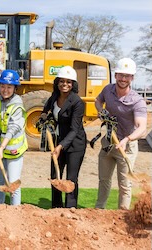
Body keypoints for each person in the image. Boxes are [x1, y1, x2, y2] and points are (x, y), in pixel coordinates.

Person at [95, 58, 147, 210]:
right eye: (121, 75)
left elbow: (141, 127)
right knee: (103, 180)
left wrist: (127, 139)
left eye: (127, 76)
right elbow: (97, 101)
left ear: (132, 78)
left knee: (125, 184)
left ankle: (122, 216)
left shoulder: (137, 101)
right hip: (108, 143)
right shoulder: (108, 90)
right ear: (115, 75)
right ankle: (99, 211)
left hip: (127, 146)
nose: (123, 79)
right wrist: (102, 112)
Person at [40, 66, 87, 208]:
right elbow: (45, 110)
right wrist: (43, 118)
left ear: (73, 84)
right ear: (57, 82)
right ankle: (56, 208)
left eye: (68, 82)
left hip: (75, 144)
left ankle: (70, 209)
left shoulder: (77, 102)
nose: (64, 84)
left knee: (70, 179)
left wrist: (60, 146)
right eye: (62, 81)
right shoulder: (54, 96)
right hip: (58, 141)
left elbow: (74, 129)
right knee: (55, 176)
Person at [0, 69, 28, 205]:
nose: (5, 90)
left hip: (13, 150)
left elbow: (13, 128)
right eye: (2, 86)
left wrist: (2, 148)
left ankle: (15, 212)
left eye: (9, 87)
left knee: (13, 184)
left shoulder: (17, 105)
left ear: (15, 88)